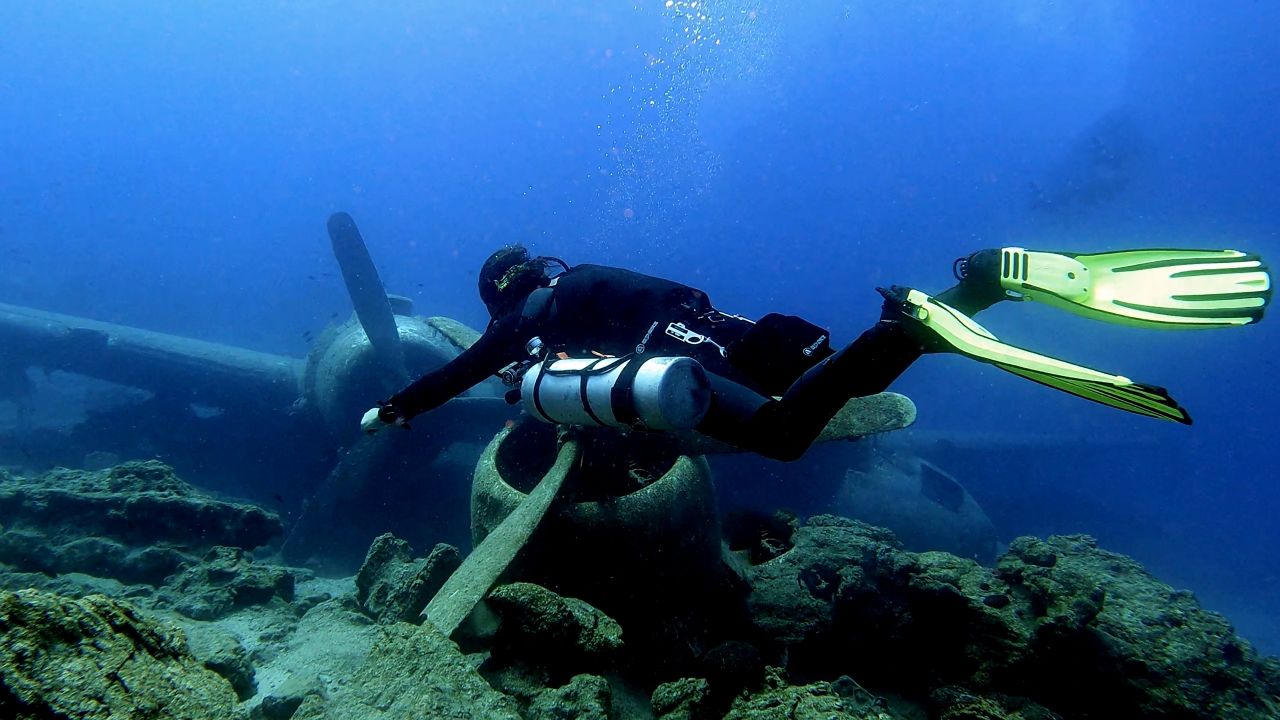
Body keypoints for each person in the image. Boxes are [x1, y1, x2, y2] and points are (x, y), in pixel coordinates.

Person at [361, 245, 1270, 460]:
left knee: (788, 438)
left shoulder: (530, 309)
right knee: (822, 387)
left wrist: (400, 403)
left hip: (682, 361)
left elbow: (471, 367)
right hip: (732, 329)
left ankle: (909, 329)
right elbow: (686, 302)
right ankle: (979, 288)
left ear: (500, 289)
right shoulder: (591, 270)